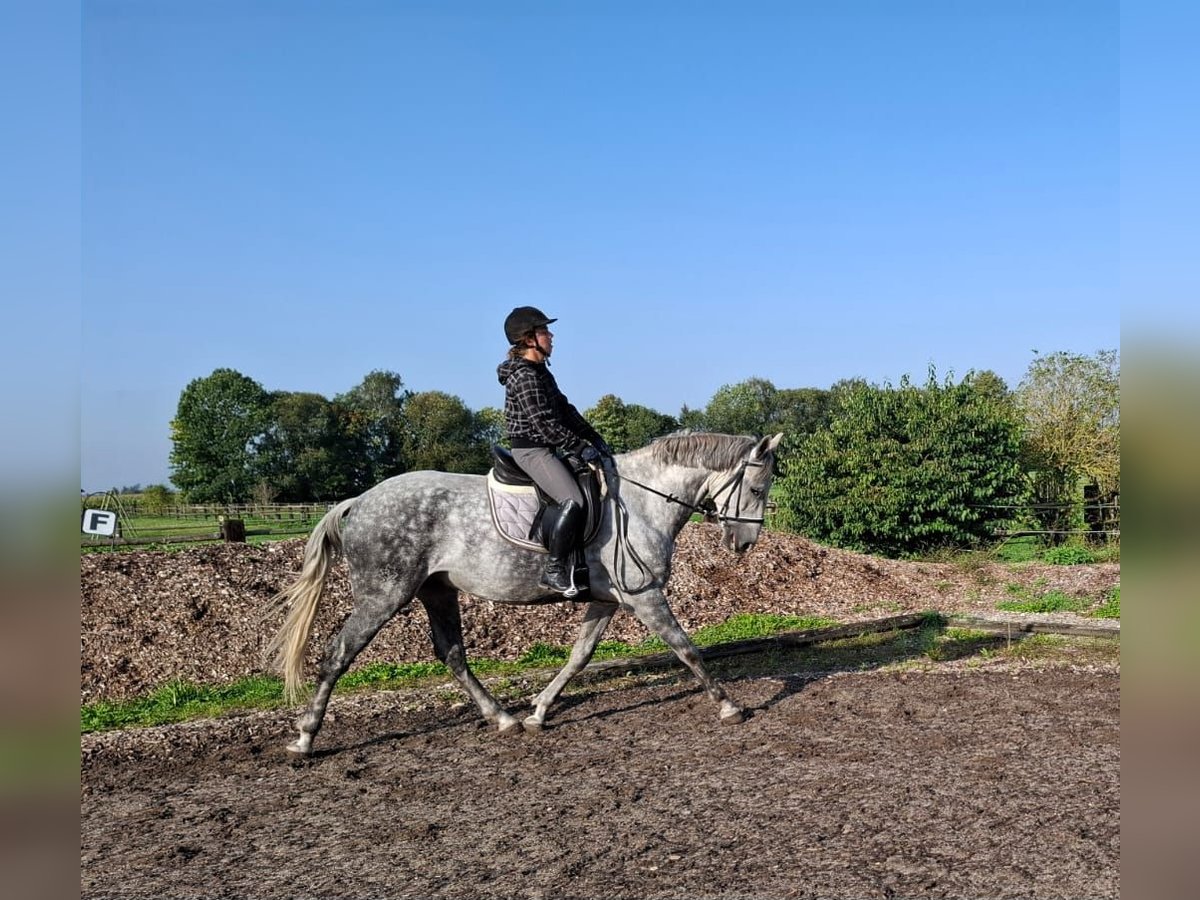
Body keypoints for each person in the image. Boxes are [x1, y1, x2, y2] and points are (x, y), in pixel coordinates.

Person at [497, 306, 612, 595]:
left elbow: (565, 410)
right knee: (573, 500)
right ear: (528, 339)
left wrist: (593, 438)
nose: (551, 335)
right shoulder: (524, 376)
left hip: (545, 447)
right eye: (544, 331)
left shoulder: (540, 373)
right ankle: (554, 568)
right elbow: (544, 424)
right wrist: (577, 446)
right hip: (532, 451)